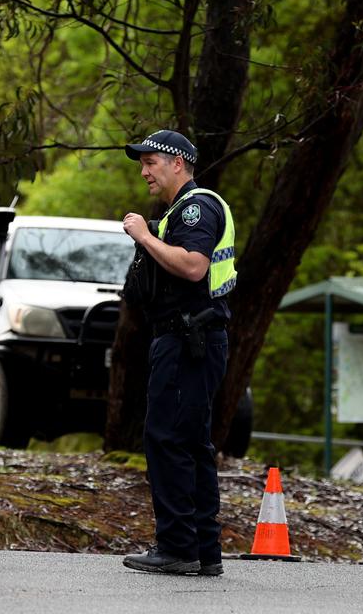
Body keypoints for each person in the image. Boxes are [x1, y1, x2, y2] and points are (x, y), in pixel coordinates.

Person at [120, 129, 236, 576]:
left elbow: (193, 266)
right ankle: (204, 551)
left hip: (189, 341)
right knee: (191, 443)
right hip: (195, 340)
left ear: (178, 163)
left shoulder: (194, 207)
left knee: (166, 438)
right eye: (142, 164)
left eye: (151, 162)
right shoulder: (182, 210)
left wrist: (144, 236)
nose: (145, 171)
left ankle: (177, 547)